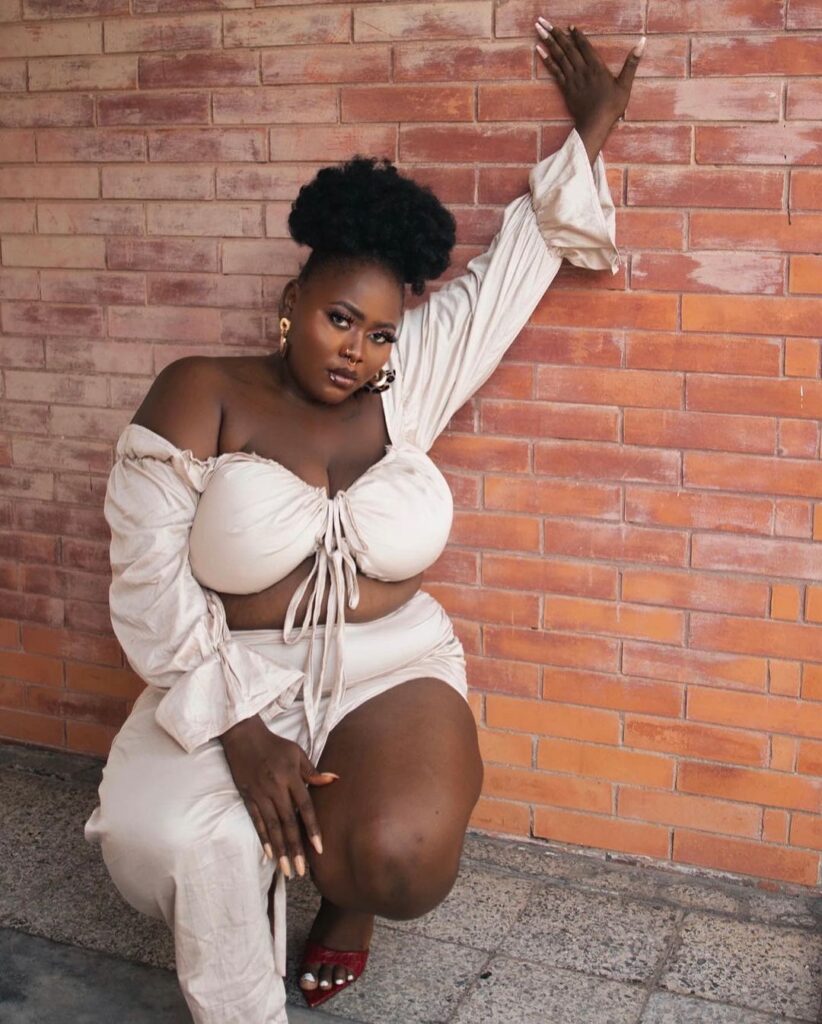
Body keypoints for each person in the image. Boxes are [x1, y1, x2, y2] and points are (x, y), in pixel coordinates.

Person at [85, 21, 643, 1024]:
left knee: (402, 855)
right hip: (231, 668)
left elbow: (505, 278)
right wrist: (238, 729)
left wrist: (593, 130)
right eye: (339, 318)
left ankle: (346, 897)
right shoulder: (201, 391)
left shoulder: (403, 385)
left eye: (380, 332)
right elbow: (146, 582)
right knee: (166, 841)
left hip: (392, 665)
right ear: (292, 301)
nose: (357, 350)